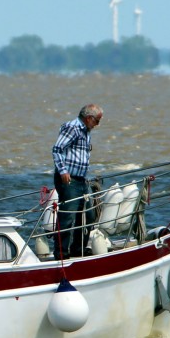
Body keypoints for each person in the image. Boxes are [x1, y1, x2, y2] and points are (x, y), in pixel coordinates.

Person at [51, 103, 103, 258]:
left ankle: (78, 249)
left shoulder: (86, 130)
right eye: (97, 121)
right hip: (69, 180)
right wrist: (63, 170)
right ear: (88, 118)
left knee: (87, 215)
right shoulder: (72, 127)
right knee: (67, 217)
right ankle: (61, 253)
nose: (97, 125)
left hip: (81, 180)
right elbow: (57, 149)